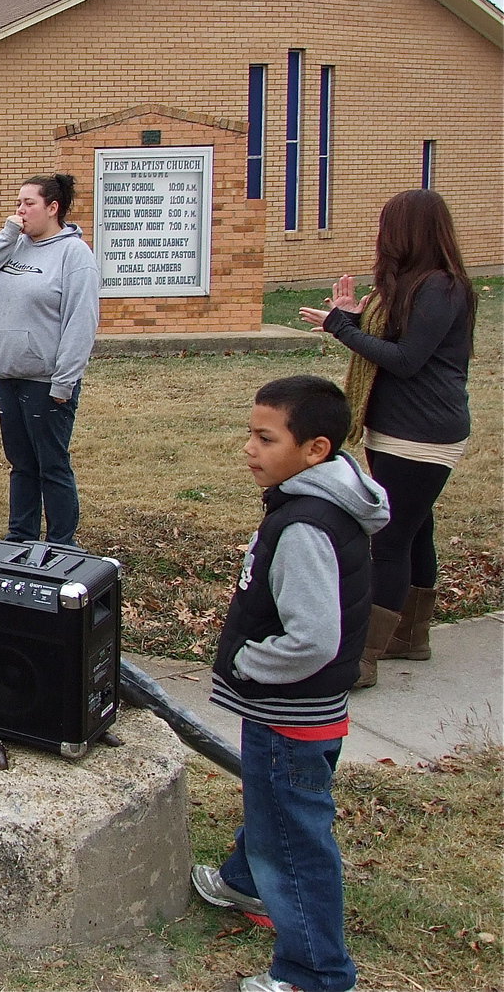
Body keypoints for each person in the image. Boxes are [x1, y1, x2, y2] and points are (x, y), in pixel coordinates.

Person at [193, 375, 388, 992]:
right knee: (276, 809)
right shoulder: (320, 504)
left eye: (265, 438)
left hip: (289, 712)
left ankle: (315, 973)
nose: (249, 449)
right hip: (309, 711)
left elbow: (313, 638)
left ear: (316, 450)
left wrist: (250, 663)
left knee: (296, 847)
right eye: (250, 434)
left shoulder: (304, 525)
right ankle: (242, 881)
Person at [299, 189, 476, 688]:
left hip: (421, 434)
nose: (382, 237)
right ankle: (411, 636)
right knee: (417, 529)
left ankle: (364, 657)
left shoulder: (440, 287)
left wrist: (342, 328)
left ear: (407, 233)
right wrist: (351, 320)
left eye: (388, 226)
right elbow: (398, 342)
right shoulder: (420, 286)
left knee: (391, 539)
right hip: (400, 429)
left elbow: (404, 359)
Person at [0, 173, 99, 545]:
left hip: (47, 381)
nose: (20, 211)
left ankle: (60, 542)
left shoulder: (74, 255)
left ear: (53, 208)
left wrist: (64, 381)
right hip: (8, 374)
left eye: (29, 203)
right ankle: (20, 535)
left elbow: (80, 321)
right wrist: (7, 236)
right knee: (20, 464)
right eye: (18, 203)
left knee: (50, 465)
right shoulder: (14, 245)